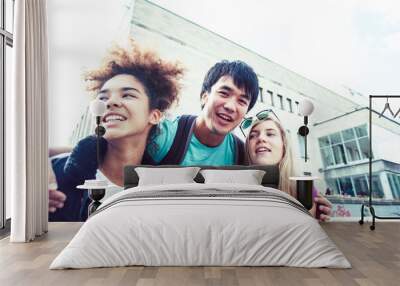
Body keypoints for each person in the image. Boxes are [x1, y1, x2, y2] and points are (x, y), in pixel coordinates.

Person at [49, 40, 184, 221]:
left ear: (155, 115)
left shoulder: (159, 190)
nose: (110, 102)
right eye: (103, 97)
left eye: (128, 95)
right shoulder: (54, 175)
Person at [148, 60, 259, 165]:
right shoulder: (163, 135)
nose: (230, 107)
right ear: (204, 97)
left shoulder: (241, 156)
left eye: (242, 101)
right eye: (224, 93)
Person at [243, 110, 332, 221]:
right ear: (248, 149)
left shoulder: (303, 188)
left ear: (284, 145)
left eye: (270, 134)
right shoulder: (237, 189)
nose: (261, 138)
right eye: (252, 136)